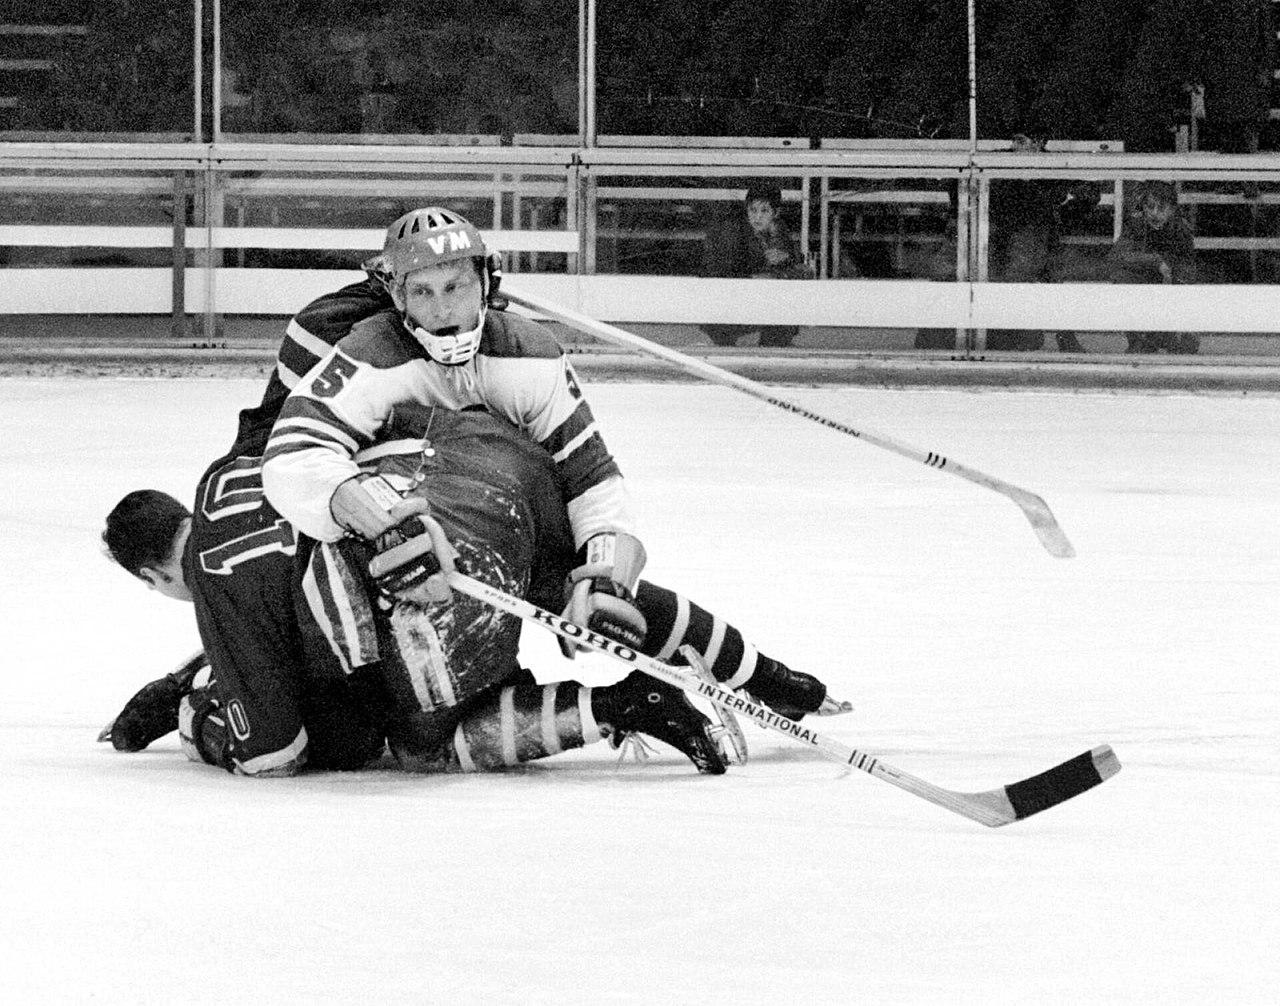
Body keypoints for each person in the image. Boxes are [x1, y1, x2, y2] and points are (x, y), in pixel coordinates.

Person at [986, 129, 1099, 353]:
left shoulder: (1054, 165)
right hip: (1003, 241)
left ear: (1038, 143)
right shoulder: (999, 160)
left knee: (1047, 274)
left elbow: (1090, 193)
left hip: (1039, 241)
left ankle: (1056, 337)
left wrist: (1063, 213)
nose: (1015, 147)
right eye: (1015, 141)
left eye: (1021, 141)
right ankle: (1019, 336)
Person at [699, 185, 814, 349]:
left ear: (776, 213)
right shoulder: (734, 233)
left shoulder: (778, 230)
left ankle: (775, 340)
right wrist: (757, 276)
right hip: (725, 304)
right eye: (753, 210)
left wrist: (785, 260)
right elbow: (722, 273)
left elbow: (795, 263)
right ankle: (764, 340)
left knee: (801, 275)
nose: (757, 217)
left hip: (751, 299)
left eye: (764, 211)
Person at [1107, 181, 1199, 354]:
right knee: (1121, 278)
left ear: (1172, 210)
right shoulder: (1136, 226)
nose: (1154, 213)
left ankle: (1162, 334)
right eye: (1150, 207)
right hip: (1143, 285)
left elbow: (1187, 270)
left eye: (1161, 208)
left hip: (1170, 289)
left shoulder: (1181, 230)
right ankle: (1138, 339)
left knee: (1186, 347)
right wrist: (1155, 261)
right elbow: (1117, 256)